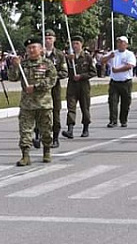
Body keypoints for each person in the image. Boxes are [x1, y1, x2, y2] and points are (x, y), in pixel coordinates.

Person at [8, 37, 57, 166]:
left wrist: (35, 87)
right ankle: (25, 155)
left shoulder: (47, 64)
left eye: (34, 47)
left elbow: (52, 80)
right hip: (27, 104)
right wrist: (15, 65)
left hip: (43, 104)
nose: (31, 50)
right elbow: (12, 77)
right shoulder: (23, 64)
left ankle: (46, 151)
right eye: (29, 48)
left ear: (40, 49)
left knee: (46, 130)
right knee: (25, 131)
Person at [33, 29, 68, 149]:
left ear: (54, 39)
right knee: (39, 112)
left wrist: (52, 77)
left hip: (54, 88)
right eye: (46, 38)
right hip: (40, 89)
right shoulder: (38, 54)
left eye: (50, 38)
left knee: (55, 112)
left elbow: (64, 72)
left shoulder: (59, 55)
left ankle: (55, 138)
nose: (47, 40)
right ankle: (37, 136)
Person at [62, 35, 97, 139]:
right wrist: (68, 59)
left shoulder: (87, 57)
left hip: (83, 85)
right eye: (73, 44)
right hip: (72, 85)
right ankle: (70, 129)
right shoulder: (69, 57)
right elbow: (64, 70)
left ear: (81, 44)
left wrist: (81, 76)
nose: (75, 46)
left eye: (77, 43)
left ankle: (85, 128)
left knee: (85, 107)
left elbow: (93, 72)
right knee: (71, 107)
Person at [101, 36, 136, 128]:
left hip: (126, 81)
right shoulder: (113, 53)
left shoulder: (129, 54)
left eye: (122, 42)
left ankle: (123, 120)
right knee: (112, 101)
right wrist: (109, 56)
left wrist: (118, 70)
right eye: (118, 42)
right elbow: (102, 60)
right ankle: (113, 120)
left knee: (126, 102)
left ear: (126, 44)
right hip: (114, 82)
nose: (120, 44)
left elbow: (130, 65)